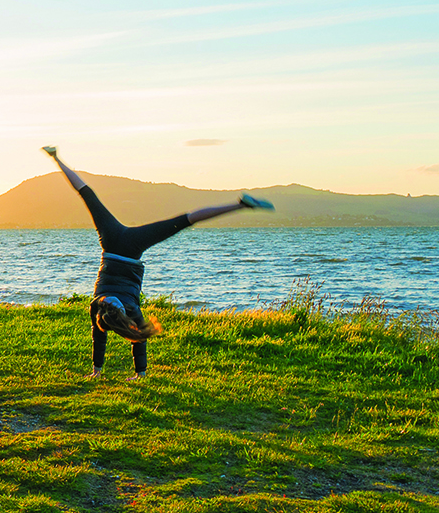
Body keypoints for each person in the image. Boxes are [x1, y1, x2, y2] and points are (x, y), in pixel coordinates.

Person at [43, 146, 273, 376]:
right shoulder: (97, 306)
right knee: (88, 195)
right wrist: (102, 372)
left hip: (131, 248)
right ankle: (55, 157)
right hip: (113, 243)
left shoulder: (130, 309)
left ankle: (241, 205)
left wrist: (113, 373)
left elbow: (128, 340)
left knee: (185, 220)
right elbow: (102, 337)